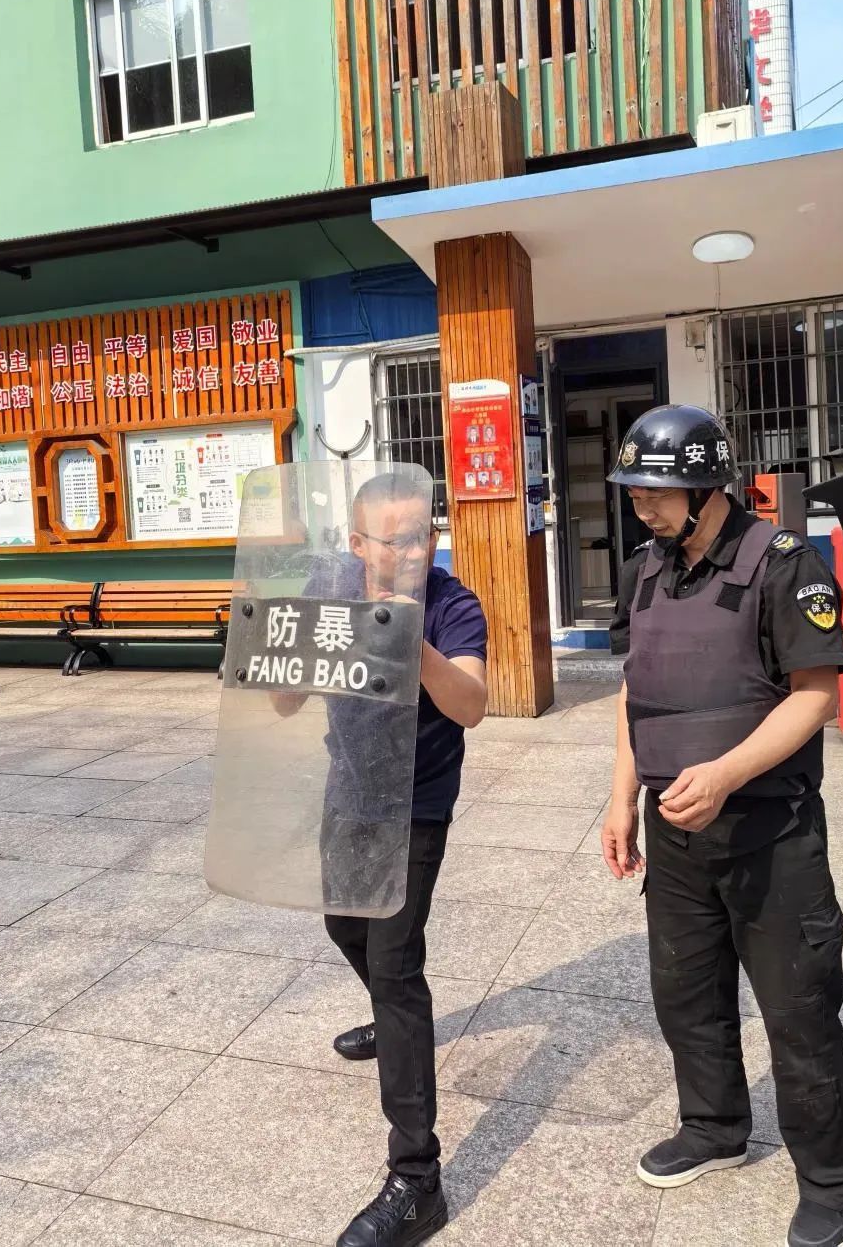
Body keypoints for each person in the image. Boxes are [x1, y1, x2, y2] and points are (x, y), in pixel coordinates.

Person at [601, 404, 843, 1247]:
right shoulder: (645, 571)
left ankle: (832, 1179)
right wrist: (621, 796)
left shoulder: (784, 564)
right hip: (677, 834)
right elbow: (635, 690)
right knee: (684, 993)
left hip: (768, 832)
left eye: (657, 490)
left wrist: (724, 774)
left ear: (708, 487)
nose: (642, 504)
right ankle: (714, 1127)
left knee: (798, 1010)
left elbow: (815, 695)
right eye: (634, 489)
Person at [309, 472, 488, 1247]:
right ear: (358, 544)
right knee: (342, 925)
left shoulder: (451, 604)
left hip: (415, 803)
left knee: (394, 965)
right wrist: (262, 647)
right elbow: (283, 697)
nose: (418, 550)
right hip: (349, 788)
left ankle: (418, 1179)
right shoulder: (332, 591)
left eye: (426, 534)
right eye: (399, 539)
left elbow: (472, 702)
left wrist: (408, 641)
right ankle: (393, 1022)